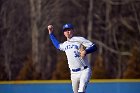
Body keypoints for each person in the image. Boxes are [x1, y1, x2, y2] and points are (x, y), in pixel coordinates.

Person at [47, 23, 97, 93]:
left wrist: (86, 51)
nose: (67, 32)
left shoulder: (79, 39)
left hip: (84, 70)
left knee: (81, 90)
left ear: (73, 30)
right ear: (64, 33)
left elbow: (94, 47)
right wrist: (51, 34)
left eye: (69, 29)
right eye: (65, 30)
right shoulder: (65, 44)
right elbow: (57, 45)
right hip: (73, 73)